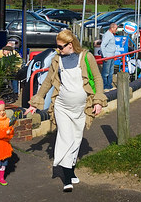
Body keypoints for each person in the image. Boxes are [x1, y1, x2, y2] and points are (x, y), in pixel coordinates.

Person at [26, 29, 107, 192]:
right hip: (62, 106)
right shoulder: (57, 60)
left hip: (81, 108)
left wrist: (98, 101)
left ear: (70, 45)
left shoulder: (86, 57)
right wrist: (36, 102)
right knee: (66, 138)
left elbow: (98, 78)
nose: (58, 49)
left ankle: (70, 168)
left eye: (61, 47)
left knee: (76, 139)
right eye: (57, 46)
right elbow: (48, 82)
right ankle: (67, 177)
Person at [100, 22, 118, 88]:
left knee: (110, 72)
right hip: (108, 56)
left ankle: (109, 85)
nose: (116, 30)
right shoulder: (108, 35)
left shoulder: (111, 35)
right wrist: (105, 56)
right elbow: (102, 45)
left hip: (112, 56)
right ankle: (105, 85)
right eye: (116, 28)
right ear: (112, 28)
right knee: (106, 72)